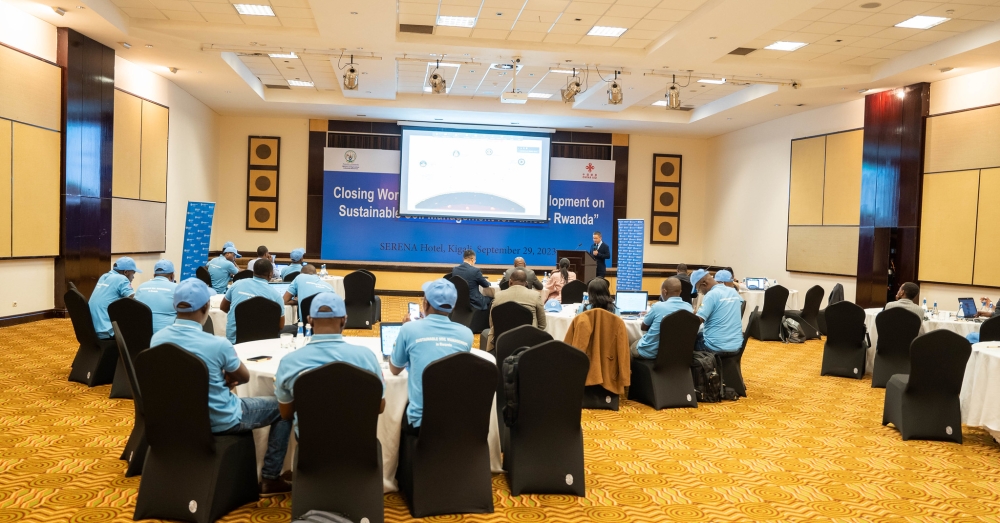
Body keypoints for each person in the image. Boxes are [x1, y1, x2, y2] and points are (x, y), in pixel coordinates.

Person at [150, 278, 291, 495]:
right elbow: (243, 377)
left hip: (175, 417)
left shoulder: (157, 340)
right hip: (220, 418)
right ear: (206, 307)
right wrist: (225, 378)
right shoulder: (217, 344)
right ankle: (271, 478)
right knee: (283, 409)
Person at [274, 292, 385, 436]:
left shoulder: (289, 362)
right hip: (359, 446)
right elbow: (380, 407)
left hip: (310, 449)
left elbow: (286, 413)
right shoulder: (367, 357)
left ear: (310, 321)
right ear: (344, 320)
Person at [390, 278, 473, 430]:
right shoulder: (467, 334)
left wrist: (404, 332)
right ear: (453, 307)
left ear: (425, 304)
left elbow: (395, 369)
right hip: (454, 422)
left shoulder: (409, 329)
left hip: (419, 424)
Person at [220, 259, 285, 343]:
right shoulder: (276, 296)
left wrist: (242, 314)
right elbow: (280, 325)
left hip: (235, 341)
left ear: (253, 271)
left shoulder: (236, 284)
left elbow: (223, 307)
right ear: (270, 274)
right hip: (264, 341)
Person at [485, 269, 547, 351]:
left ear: (510, 282)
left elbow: (492, 323)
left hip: (502, 341)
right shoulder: (535, 295)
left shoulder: (498, 295)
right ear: (526, 284)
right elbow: (542, 325)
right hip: (528, 343)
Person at [630, 278, 692, 359]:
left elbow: (643, 327)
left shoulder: (657, 307)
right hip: (675, 352)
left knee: (631, 347)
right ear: (680, 292)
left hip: (650, 352)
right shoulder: (689, 308)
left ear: (664, 291)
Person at [692, 269, 744, 353]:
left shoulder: (711, 295)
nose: (700, 293)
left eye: (699, 290)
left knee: (688, 342)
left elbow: (696, 323)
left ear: (704, 284)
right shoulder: (733, 292)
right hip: (736, 346)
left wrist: (692, 316)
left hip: (715, 347)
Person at [89, 257, 139, 339]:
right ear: (126, 272)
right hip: (106, 331)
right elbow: (134, 301)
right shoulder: (122, 278)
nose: (133, 277)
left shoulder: (104, 276)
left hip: (92, 329)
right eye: (133, 273)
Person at [134, 259, 177, 333]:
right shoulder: (177, 288)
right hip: (166, 338)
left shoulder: (141, 287)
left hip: (141, 336)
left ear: (154, 275)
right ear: (172, 276)